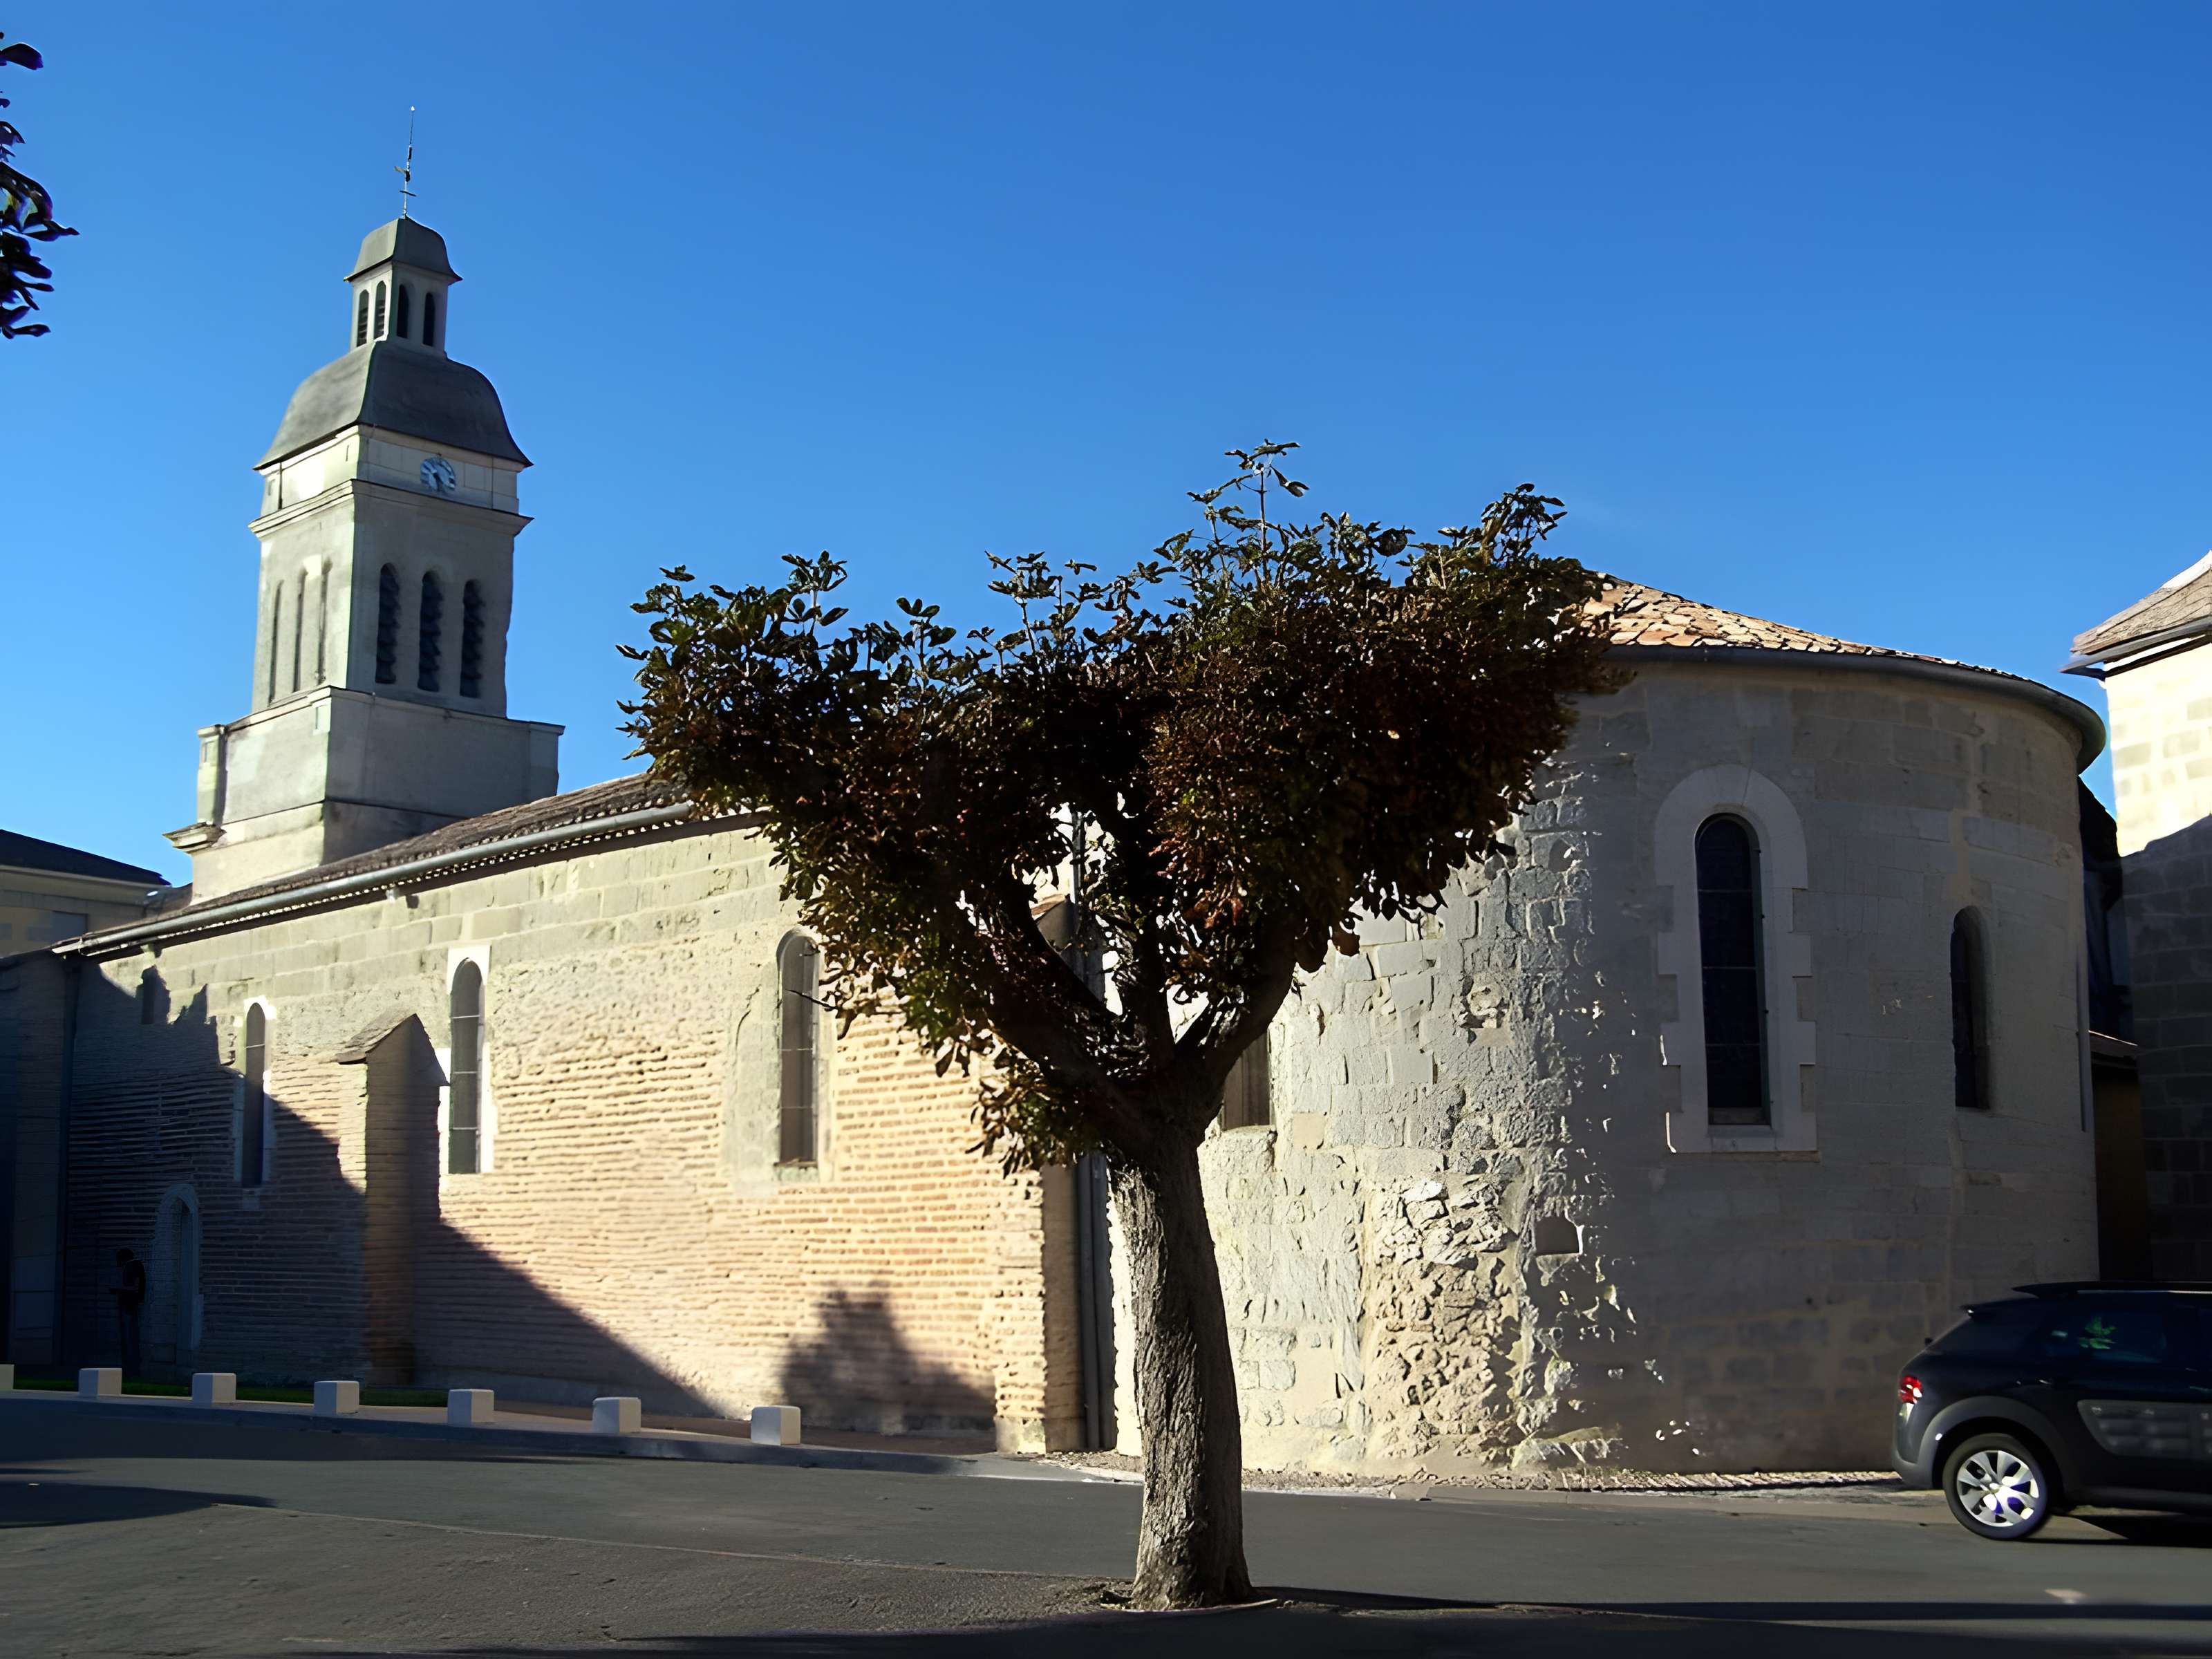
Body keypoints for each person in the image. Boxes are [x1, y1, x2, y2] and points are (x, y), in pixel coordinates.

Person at [113, 1248, 146, 1376]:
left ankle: (131, 1369)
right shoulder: (134, 1266)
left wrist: (120, 1289)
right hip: (130, 1305)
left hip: (129, 1305)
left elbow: (135, 1287)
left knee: (129, 1337)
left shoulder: (133, 1266)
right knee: (129, 1337)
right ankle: (130, 1368)